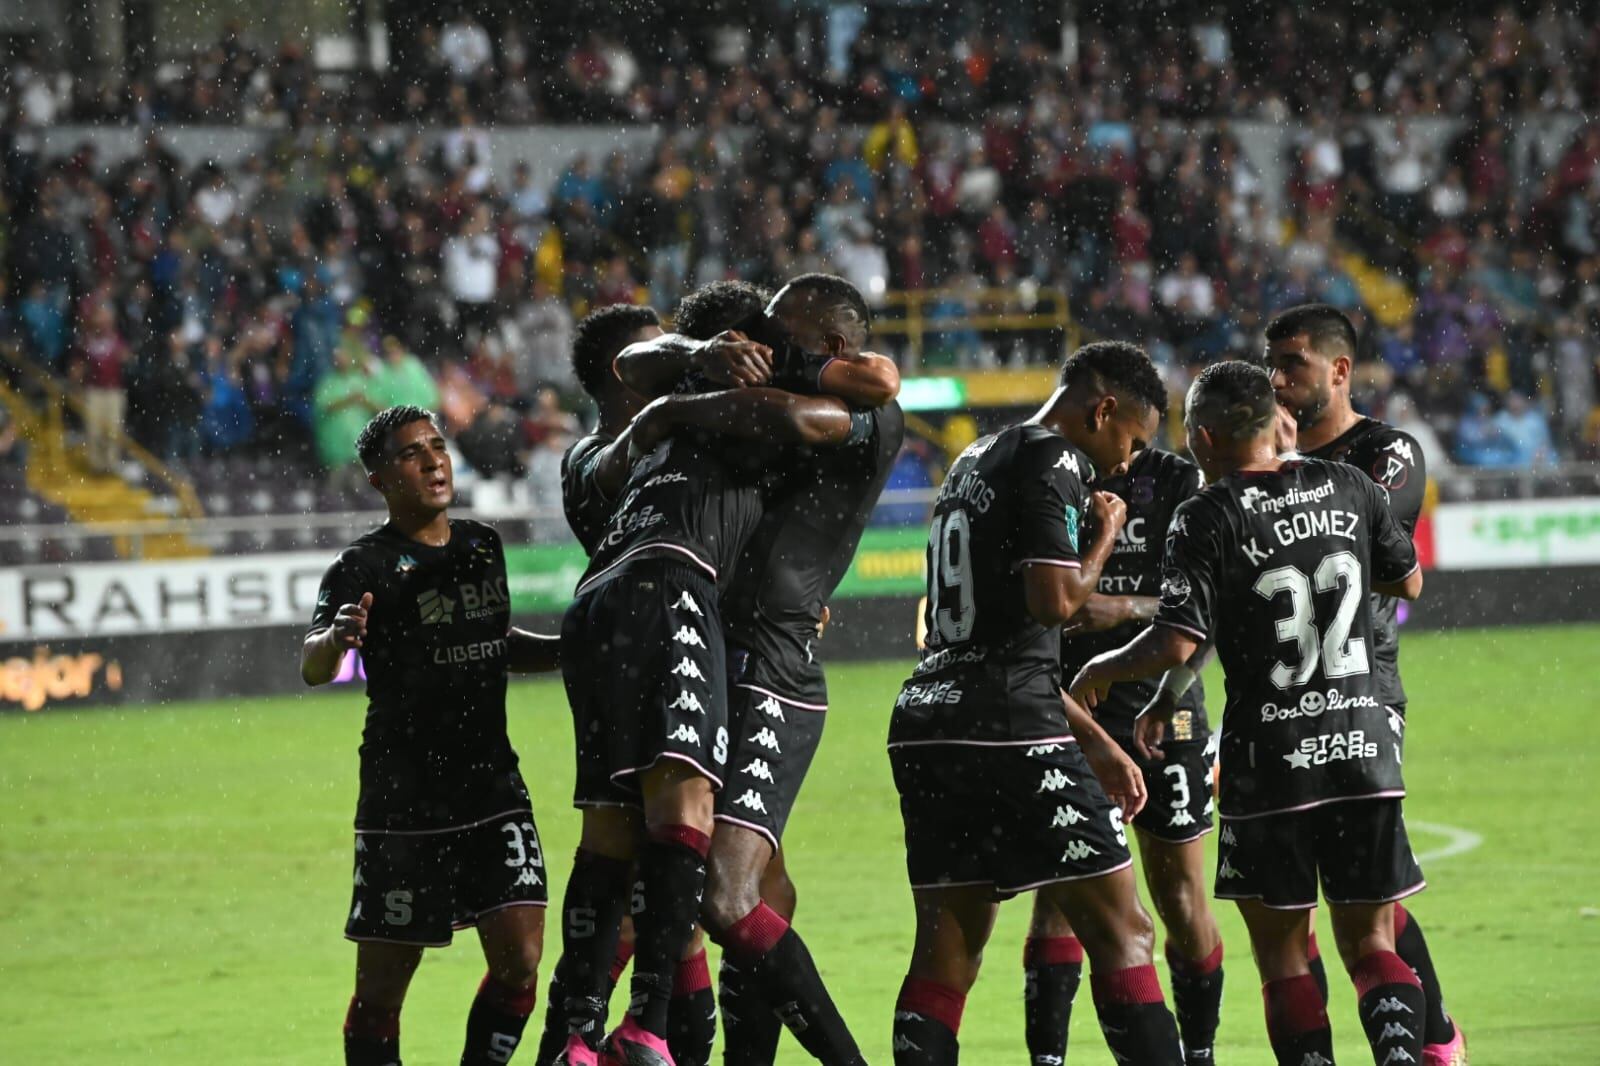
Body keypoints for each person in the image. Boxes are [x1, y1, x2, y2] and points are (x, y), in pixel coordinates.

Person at [1068, 360, 1427, 1066]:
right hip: (1362, 742)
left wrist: (1098, 670)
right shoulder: (1350, 484)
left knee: (1285, 957)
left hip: (1273, 762)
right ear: (1275, 423)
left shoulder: (1205, 514)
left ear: (1203, 438)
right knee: (1371, 943)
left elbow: (1179, 638)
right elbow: (1407, 577)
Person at [553, 303, 884, 1066]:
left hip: (626, 628)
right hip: (691, 621)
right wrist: (685, 389)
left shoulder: (666, 440)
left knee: (646, 853)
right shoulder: (634, 445)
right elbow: (815, 416)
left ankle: (584, 1034)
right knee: (703, 856)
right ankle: (643, 1028)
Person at [888, 341, 1184, 1066]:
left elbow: (998, 642)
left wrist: (1097, 743)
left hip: (931, 719)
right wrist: (1107, 533)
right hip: (1010, 728)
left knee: (946, 953)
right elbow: (1053, 606)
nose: (1125, 465)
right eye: (1130, 442)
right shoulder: (1055, 461)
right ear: (1104, 407)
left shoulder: (973, 460)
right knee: (1126, 934)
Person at [302, 405, 563, 1066]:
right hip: (404, 798)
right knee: (383, 991)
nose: (433, 461)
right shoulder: (362, 566)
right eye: (411, 453)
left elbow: (496, 643)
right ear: (379, 479)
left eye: (437, 446)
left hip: (491, 785)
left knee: (522, 959)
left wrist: (573, 648)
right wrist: (337, 640)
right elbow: (312, 662)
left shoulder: (483, 546)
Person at [1264, 303, 1467, 1065]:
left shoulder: (1388, 451)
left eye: (1294, 364)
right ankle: (1438, 1032)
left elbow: (1364, 531)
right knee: (1311, 904)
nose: (1278, 381)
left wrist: (1281, 471)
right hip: (1276, 699)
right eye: (1271, 366)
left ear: (1340, 370)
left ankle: (1434, 1041)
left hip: (1362, 689)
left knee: (1364, 902)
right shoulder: (1260, 453)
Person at [1032, 442, 1226, 1066]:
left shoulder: (1179, 482)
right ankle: (1049, 1060)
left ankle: (1199, 1051)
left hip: (1164, 710)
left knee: (1181, 900)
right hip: (1070, 710)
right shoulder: (1057, 473)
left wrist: (1124, 609)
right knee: (1062, 900)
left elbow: (1212, 604)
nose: (1126, 454)